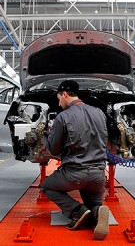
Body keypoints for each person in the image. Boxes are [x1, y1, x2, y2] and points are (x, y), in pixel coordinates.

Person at [41, 79, 109, 240]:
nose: (58, 104)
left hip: (74, 174)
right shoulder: (99, 112)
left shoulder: (63, 116)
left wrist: (48, 136)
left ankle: (77, 211)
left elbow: (54, 149)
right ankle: (97, 210)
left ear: (64, 94)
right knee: (93, 202)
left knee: (46, 187)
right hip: (98, 175)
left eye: (59, 99)